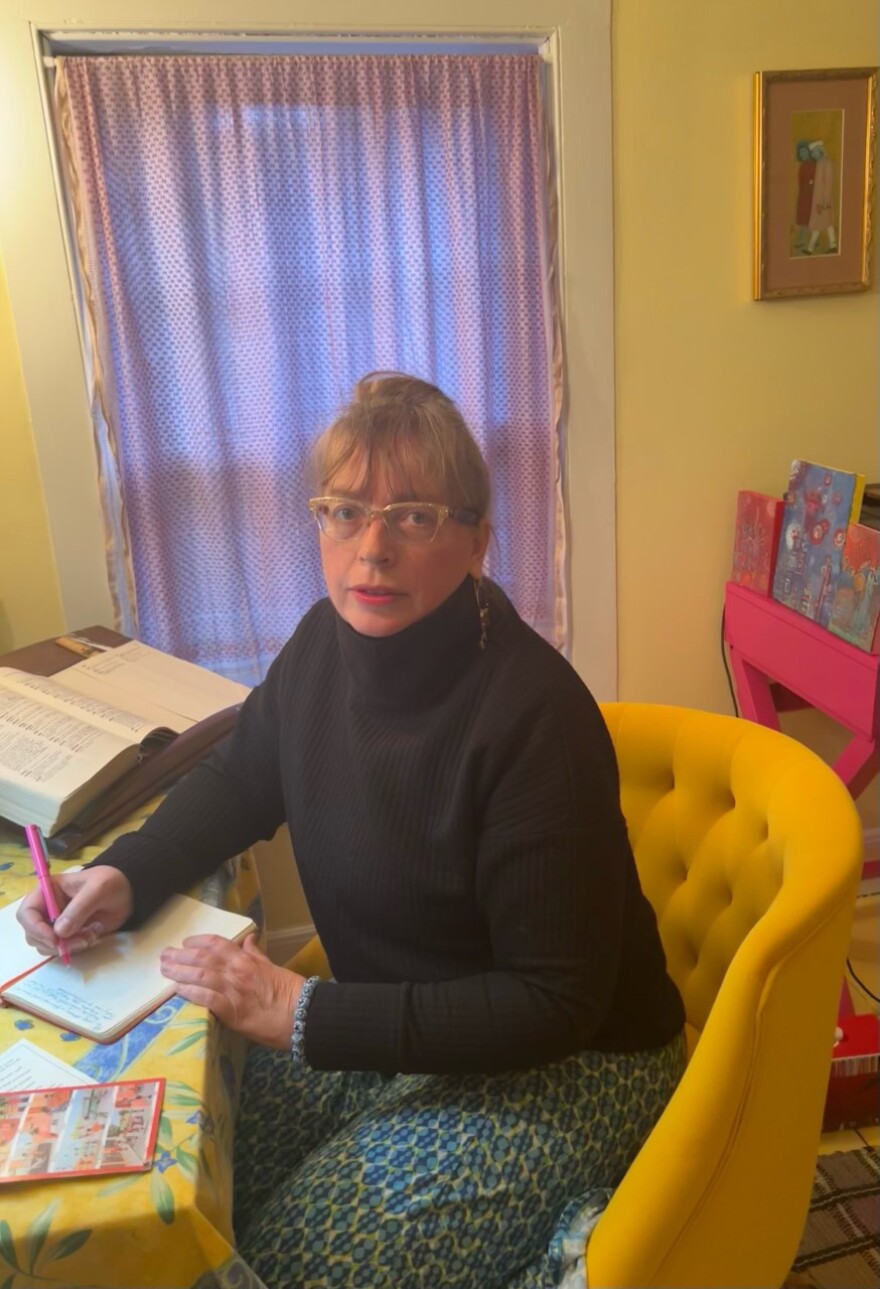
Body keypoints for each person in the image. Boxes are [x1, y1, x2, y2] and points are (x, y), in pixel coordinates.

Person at [18, 373, 686, 1289]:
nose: (371, 549)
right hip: (400, 1024)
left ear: (478, 541)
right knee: (192, 1194)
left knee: (290, 1268)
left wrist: (305, 1012)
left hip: (575, 1061)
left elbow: (555, 1000)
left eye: (413, 517)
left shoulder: (536, 717)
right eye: (343, 511)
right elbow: (242, 776)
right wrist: (127, 873)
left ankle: (561, 1241)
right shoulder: (319, 646)